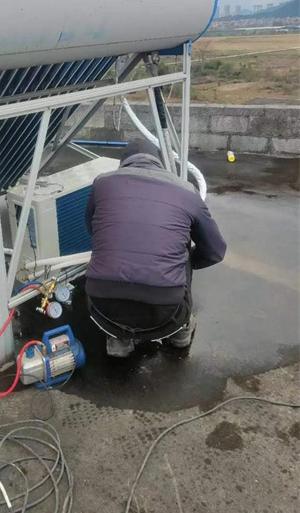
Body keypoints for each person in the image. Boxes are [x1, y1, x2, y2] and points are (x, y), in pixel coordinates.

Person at [85, 138, 226, 357]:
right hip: (167, 313)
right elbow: (215, 251)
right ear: (158, 163)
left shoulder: (102, 184)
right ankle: (180, 332)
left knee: (107, 247)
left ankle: (117, 337)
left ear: (123, 164)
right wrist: (181, 264)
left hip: (101, 308)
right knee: (182, 254)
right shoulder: (186, 191)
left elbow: (92, 230)